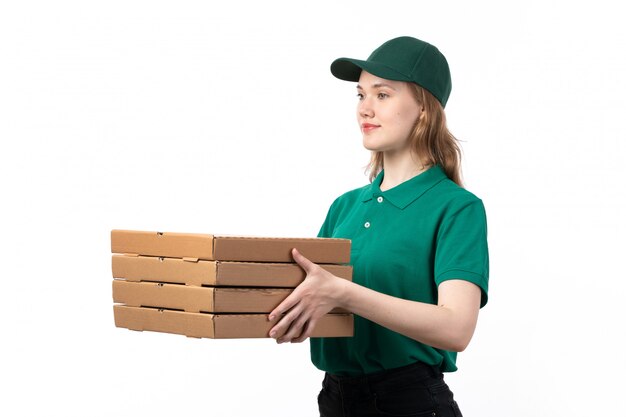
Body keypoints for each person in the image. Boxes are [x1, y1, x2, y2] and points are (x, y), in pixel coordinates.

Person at [268, 36, 489, 417]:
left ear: (423, 108)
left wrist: (342, 293)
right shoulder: (345, 207)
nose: (365, 110)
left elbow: (456, 329)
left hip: (411, 403)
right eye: (360, 96)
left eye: (382, 95)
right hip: (336, 399)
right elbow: (316, 296)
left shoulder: (457, 208)